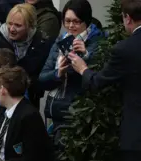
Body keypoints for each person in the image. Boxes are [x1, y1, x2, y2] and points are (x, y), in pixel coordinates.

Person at [68, 0, 141, 161]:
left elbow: (99, 82)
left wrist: (83, 69)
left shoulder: (126, 48)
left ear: (126, 18)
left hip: (136, 139)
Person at [39, 0, 103, 143]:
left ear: (86, 21)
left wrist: (86, 56)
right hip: (54, 110)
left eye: (76, 21)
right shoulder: (61, 40)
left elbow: (96, 77)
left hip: (77, 114)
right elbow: (42, 78)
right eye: (67, 21)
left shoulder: (97, 41)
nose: (70, 26)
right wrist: (58, 73)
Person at [0, 3, 52, 108]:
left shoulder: (41, 43)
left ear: (30, 26)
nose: (12, 29)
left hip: (30, 99)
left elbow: (42, 76)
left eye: (18, 25)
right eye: (9, 23)